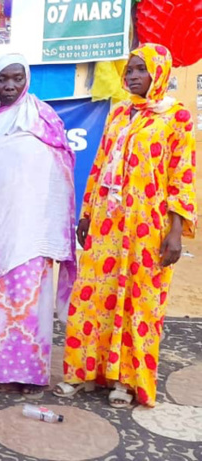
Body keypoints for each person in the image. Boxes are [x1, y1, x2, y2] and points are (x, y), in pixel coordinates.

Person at [57, 44, 197, 408]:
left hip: (147, 226)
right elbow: (100, 162)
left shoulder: (177, 118)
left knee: (138, 301)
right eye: (129, 70)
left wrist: (177, 231)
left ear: (158, 74)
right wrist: (87, 213)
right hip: (107, 223)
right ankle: (85, 371)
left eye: (139, 70)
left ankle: (126, 380)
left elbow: (182, 177)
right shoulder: (119, 113)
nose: (131, 76)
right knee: (94, 296)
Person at [0, 54, 76, 395]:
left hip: (32, 232)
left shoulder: (44, 119)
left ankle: (30, 375)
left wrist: (51, 224)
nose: (10, 85)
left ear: (26, 78)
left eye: (16, 78)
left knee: (30, 304)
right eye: (2, 79)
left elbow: (62, 172)